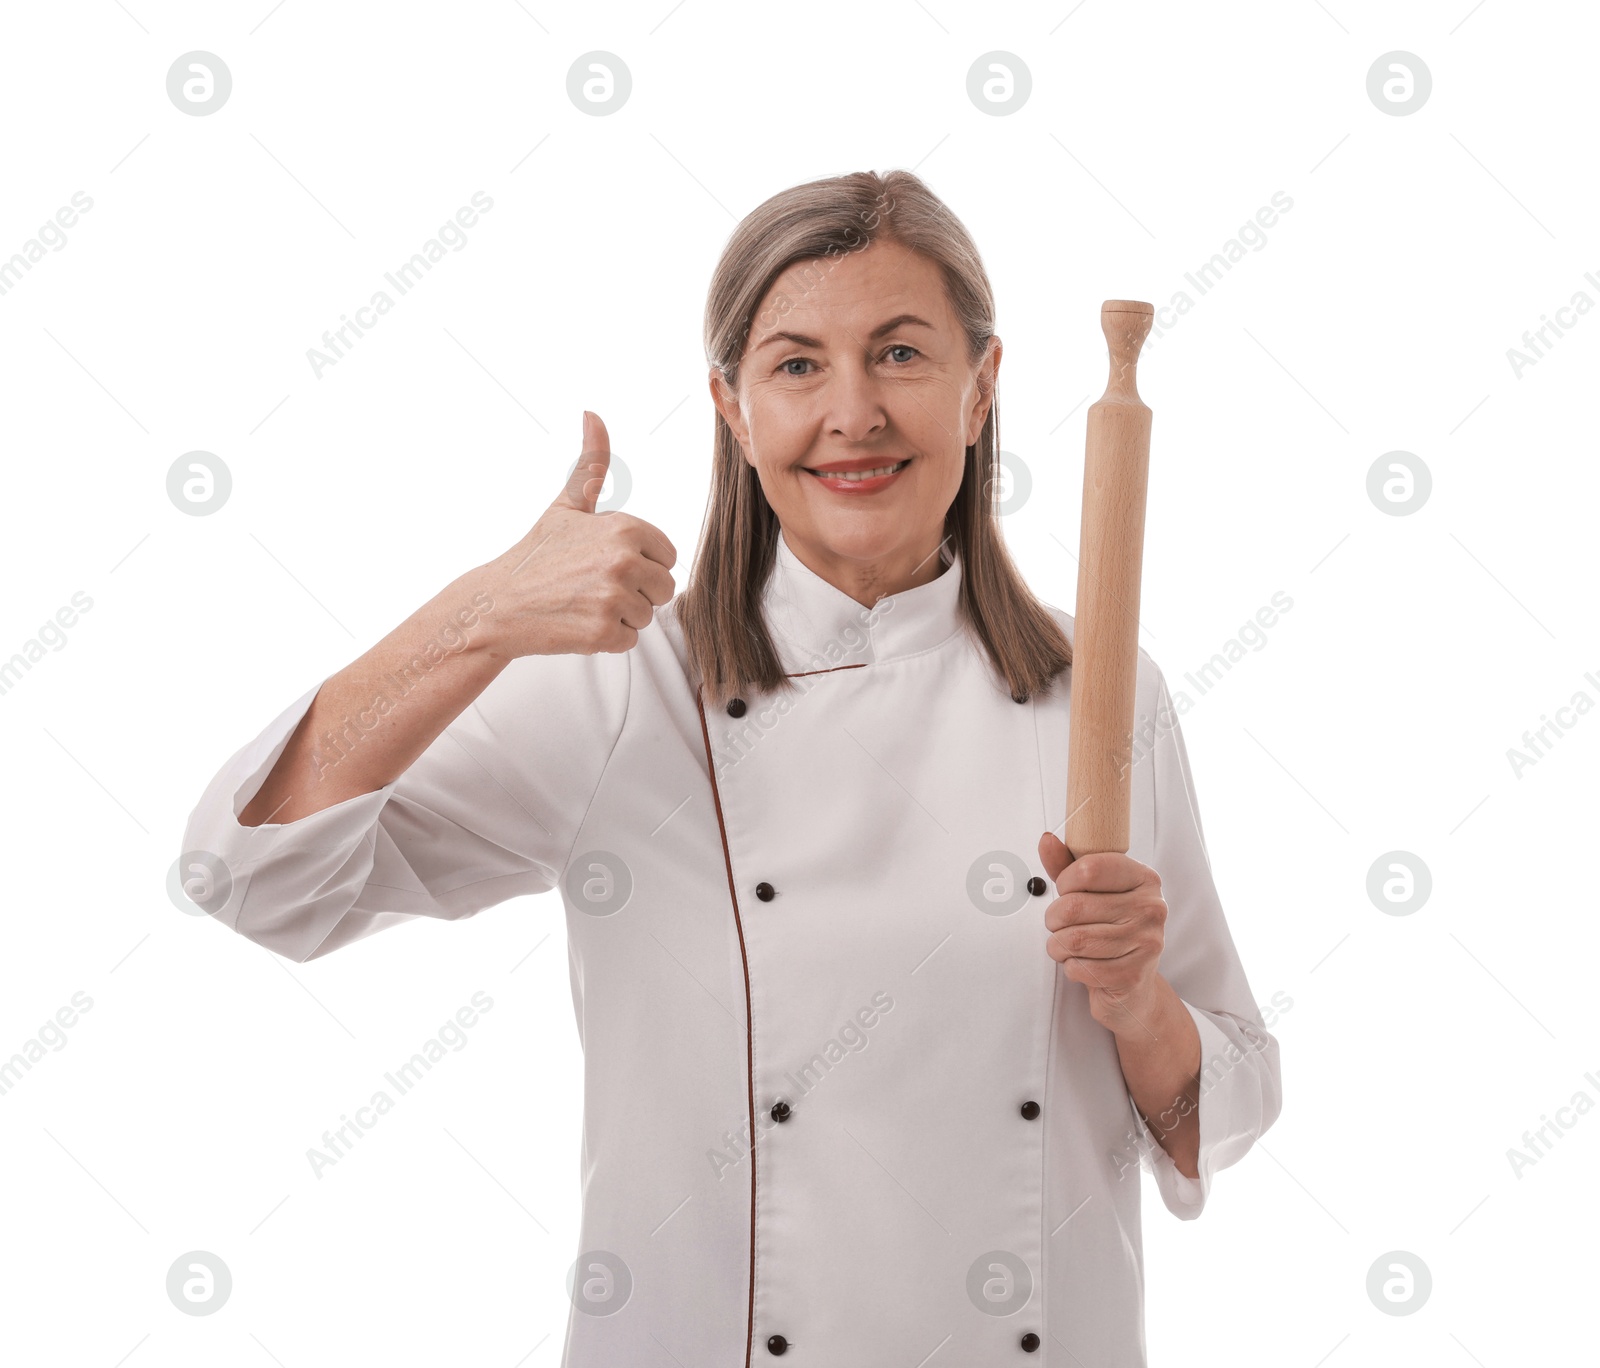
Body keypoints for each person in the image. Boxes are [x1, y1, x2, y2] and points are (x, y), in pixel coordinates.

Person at [181, 168, 1282, 1365]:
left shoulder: (1100, 694)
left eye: (901, 354)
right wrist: (477, 619)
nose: (852, 413)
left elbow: (1218, 1109)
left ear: (981, 389)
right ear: (731, 406)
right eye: (797, 365)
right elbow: (256, 878)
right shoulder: (622, 684)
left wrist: (1135, 1004)